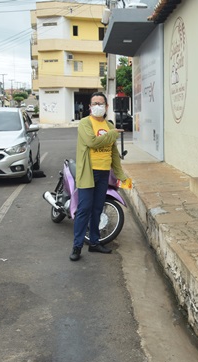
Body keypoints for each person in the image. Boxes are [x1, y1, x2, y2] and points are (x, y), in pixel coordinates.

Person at [70, 92, 128, 261]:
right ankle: (77, 246)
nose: (97, 106)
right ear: (89, 106)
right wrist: (112, 134)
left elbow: (114, 152)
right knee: (84, 209)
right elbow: (92, 142)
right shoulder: (85, 123)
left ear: (106, 106)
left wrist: (120, 174)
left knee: (97, 209)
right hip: (88, 172)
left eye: (100, 103)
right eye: (94, 103)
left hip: (104, 173)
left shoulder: (109, 125)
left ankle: (94, 242)